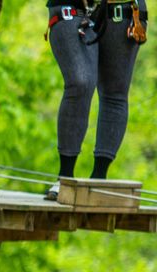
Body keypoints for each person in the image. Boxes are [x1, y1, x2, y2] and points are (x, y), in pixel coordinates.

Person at [44, 0, 148, 200]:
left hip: (122, 8)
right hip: (72, 5)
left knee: (115, 93)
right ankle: (64, 176)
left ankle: (98, 178)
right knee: (80, 82)